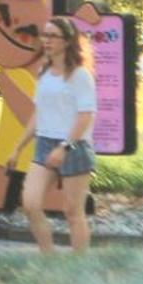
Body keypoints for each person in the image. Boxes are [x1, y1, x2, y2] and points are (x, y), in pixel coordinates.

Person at [9, 14, 97, 254]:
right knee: (30, 203)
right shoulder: (44, 73)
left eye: (52, 36)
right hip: (45, 143)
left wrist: (65, 147)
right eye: (44, 35)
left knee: (72, 211)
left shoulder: (80, 75)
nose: (46, 41)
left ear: (67, 41)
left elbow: (85, 115)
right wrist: (18, 147)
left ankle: (79, 265)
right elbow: (39, 114)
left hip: (75, 147)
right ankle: (49, 258)